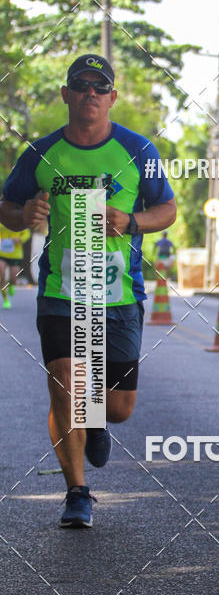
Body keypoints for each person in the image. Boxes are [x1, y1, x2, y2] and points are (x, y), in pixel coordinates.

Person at [0, 54, 176, 528]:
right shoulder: (40, 154)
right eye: (81, 86)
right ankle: (77, 492)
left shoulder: (139, 151)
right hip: (61, 290)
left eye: (100, 88)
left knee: (117, 408)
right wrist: (24, 215)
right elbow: (7, 206)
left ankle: (96, 419)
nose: (91, 95)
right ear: (66, 95)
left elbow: (168, 210)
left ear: (112, 98)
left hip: (119, 296)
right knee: (66, 387)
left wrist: (133, 221)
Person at [0, 223, 30, 308]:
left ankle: (12, 284)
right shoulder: (2, 219)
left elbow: (27, 233)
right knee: (1, 275)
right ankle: (5, 299)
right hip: (2, 253)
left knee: (13, 278)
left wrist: (20, 239)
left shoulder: (17, 218)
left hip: (15, 254)